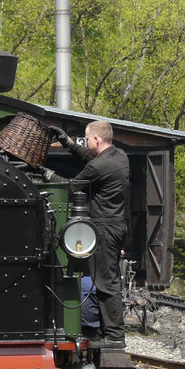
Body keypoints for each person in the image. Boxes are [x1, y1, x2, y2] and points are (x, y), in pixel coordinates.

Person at [52, 120, 130, 349]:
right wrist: (68, 142)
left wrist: (46, 175)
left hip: (105, 228)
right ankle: (105, 331)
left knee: (105, 283)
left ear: (96, 139)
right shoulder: (120, 157)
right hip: (116, 225)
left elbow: (71, 186)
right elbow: (93, 159)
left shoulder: (100, 167)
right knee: (107, 280)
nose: (86, 143)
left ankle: (114, 336)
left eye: (87, 139)